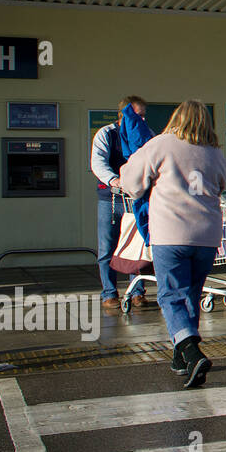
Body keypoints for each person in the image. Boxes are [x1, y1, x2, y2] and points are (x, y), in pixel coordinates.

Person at [120, 100, 226, 388]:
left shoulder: (162, 144)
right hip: (206, 236)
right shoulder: (215, 153)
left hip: (171, 234)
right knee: (190, 294)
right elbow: (220, 185)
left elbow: (132, 182)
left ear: (176, 118)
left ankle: (191, 351)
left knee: (170, 295)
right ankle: (181, 356)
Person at [90, 96, 150, 310]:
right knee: (107, 246)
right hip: (111, 198)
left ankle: (138, 292)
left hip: (136, 199)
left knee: (137, 245)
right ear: (123, 115)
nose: (141, 118)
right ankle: (109, 293)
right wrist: (114, 180)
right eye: (137, 114)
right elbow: (98, 162)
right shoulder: (106, 134)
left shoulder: (145, 135)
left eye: (143, 114)